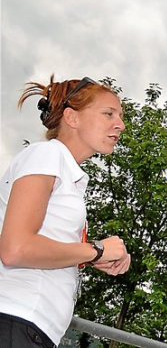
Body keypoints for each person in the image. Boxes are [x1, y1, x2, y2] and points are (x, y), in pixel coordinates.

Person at [0, 76, 132, 348]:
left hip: (29, 327)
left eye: (119, 115)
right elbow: (16, 249)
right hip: (17, 320)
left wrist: (90, 256)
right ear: (72, 118)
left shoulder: (64, 170)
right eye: (108, 113)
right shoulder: (46, 155)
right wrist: (96, 250)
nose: (120, 124)